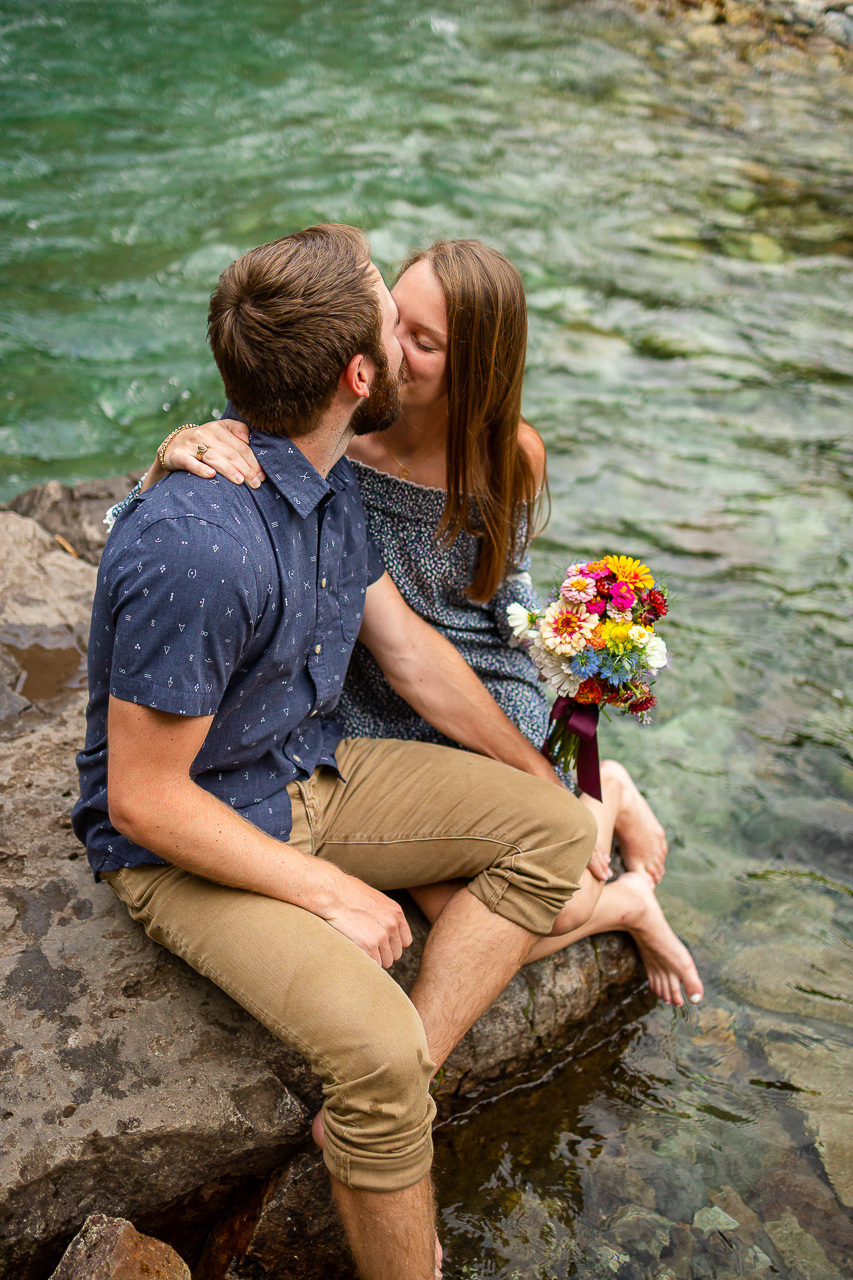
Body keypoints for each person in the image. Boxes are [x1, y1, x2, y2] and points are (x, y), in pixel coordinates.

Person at [75, 224, 602, 1280]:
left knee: (552, 826)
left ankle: (389, 1106)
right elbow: (140, 801)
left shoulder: (324, 484)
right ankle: (392, 1152)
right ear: (360, 374)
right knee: (380, 1058)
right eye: (390, 325)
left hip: (311, 766)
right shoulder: (203, 545)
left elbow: (408, 651)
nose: (405, 351)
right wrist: (327, 891)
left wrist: (540, 768)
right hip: (191, 842)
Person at [142, 238, 703, 1010]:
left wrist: (561, 664)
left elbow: (503, 594)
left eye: (425, 341)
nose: (391, 350)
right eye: (394, 320)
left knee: (546, 900)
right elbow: (244, 443)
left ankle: (610, 817)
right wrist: (174, 448)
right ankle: (626, 883)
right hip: (361, 677)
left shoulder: (507, 455)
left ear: (475, 366)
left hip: (470, 675)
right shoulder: (343, 418)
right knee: (459, 909)